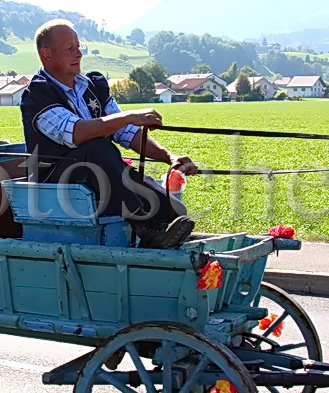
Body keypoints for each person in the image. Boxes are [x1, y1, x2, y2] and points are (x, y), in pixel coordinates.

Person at [19, 19, 199, 249]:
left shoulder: (92, 85)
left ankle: (154, 248)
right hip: (56, 180)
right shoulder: (38, 93)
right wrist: (129, 115)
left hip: (104, 170)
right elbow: (75, 133)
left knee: (172, 209)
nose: (79, 54)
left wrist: (169, 157)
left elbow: (126, 132)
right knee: (96, 147)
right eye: (69, 48)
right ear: (46, 54)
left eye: (78, 46)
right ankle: (145, 228)